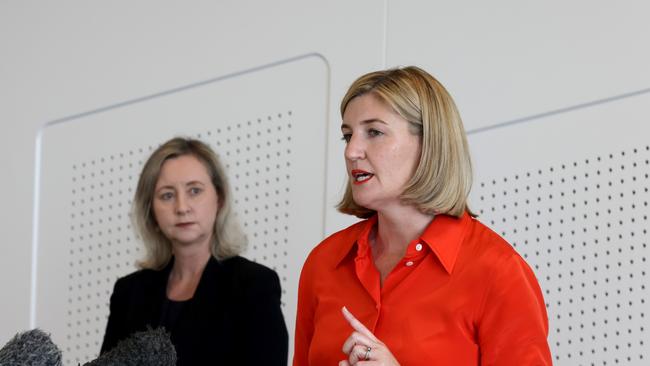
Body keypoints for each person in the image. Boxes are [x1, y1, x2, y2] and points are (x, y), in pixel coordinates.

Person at [293, 67, 552, 365]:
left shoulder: (497, 272)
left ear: (429, 143)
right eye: (347, 136)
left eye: (374, 132)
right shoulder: (323, 263)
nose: (352, 151)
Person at [101, 137, 288, 365]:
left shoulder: (254, 284)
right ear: (150, 209)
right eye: (167, 195)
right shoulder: (128, 293)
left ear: (219, 199)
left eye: (194, 191)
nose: (181, 207)